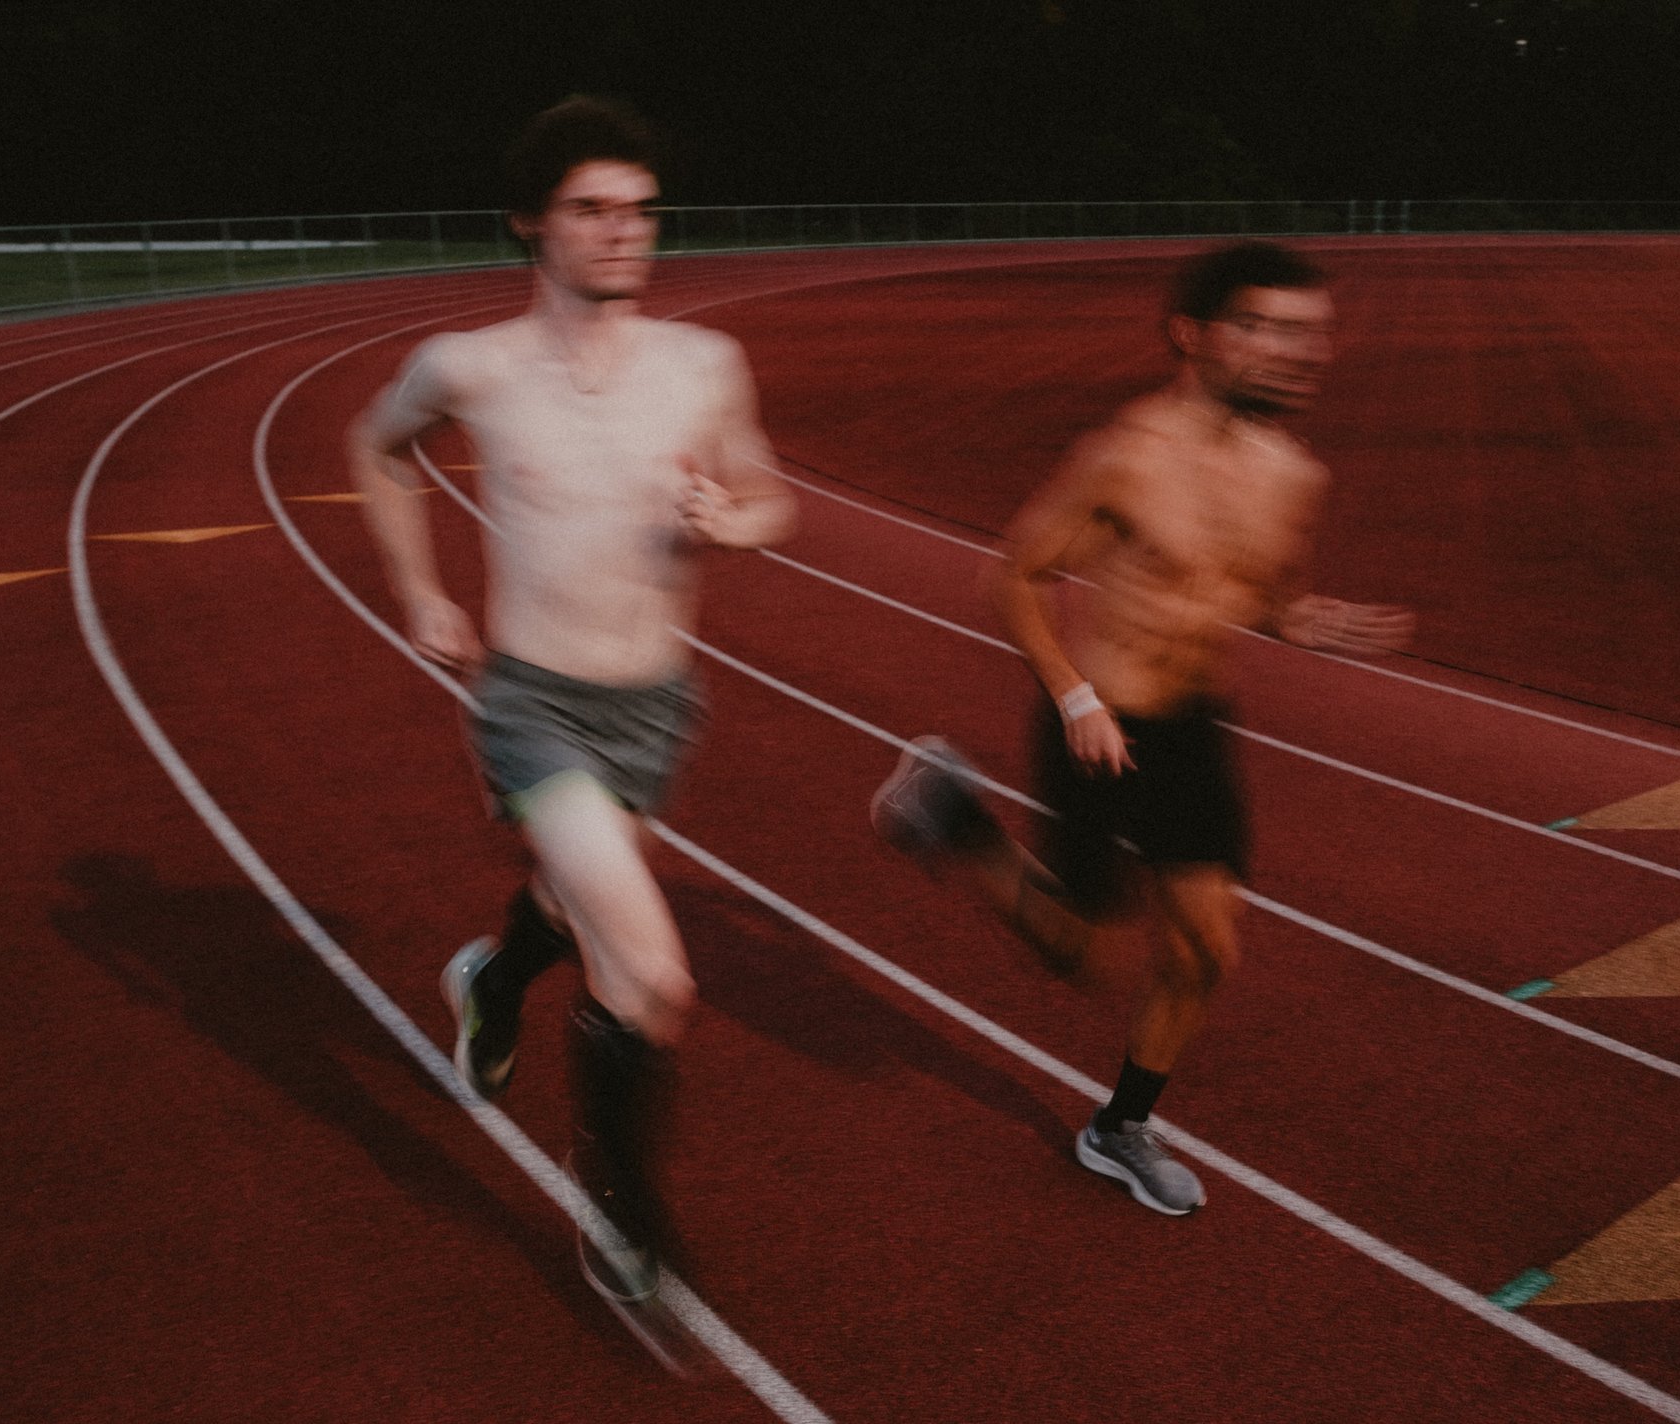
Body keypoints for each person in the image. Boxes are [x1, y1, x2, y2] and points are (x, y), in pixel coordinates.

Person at [350, 96, 793, 1323]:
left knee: (573, 902)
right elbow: (376, 448)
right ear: (529, 223)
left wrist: (736, 521)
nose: (622, 231)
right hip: (531, 706)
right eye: (591, 210)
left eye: (639, 211)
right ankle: (622, 1212)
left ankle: (495, 978)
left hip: (657, 706)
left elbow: (772, 497)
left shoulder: (705, 365)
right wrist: (420, 590)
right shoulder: (471, 366)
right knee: (649, 975)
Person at [873, 241, 1409, 1216]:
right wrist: (1075, 697)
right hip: (1101, 721)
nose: (1297, 350)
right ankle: (954, 816)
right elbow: (1015, 577)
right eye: (1264, 327)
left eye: (1308, 331)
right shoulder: (1124, 456)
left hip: (1195, 723)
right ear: (1191, 336)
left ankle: (1119, 1128)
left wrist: (1304, 621)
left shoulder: (1294, 475)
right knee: (1081, 954)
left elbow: (1257, 594)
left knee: (1205, 947)